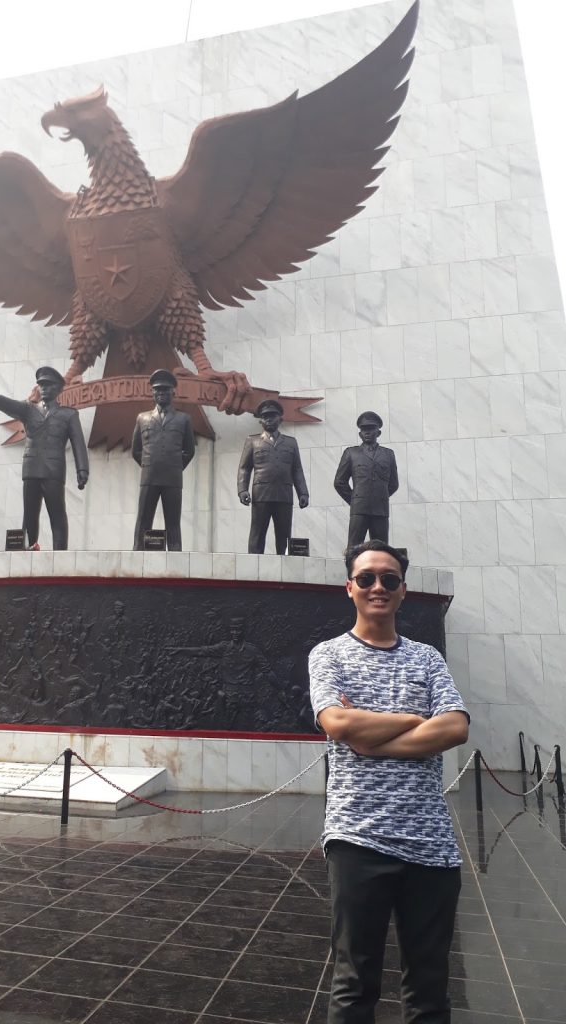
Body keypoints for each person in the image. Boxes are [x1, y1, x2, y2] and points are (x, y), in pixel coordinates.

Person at [308, 540, 470, 1023]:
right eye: (367, 578)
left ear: (402, 590)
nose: (378, 586)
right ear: (350, 588)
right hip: (358, 839)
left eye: (389, 579)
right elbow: (337, 722)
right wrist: (415, 719)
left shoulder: (427, 658)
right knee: (355, 984)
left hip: (431, 846)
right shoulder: (328, 655)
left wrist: (371, 740)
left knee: (430, 989)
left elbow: (455, 727)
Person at [0, 366, 88, 550]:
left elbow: (78, 443)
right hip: (31, 469)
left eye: (48, 384)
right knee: (29, 514)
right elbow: (12, 405)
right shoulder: (28, 409)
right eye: (41, 385)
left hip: (53, 471)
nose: (44, 388)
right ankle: (29, 549)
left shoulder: (69, 414)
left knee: (57, 513)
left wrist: (82, 470)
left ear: (59, 388)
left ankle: (59, 552)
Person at [132, 369, 195, 551]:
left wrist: (174, 466)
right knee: (143, 520)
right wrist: (149, 465)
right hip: (149, 477)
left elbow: (189, 450)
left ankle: (176, 555)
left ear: (173, 392)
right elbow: (136, 450)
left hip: (172, 478)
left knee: (173, 522)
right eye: (157, 390)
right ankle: (138, 553)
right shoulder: (142, 418)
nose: (161, 393)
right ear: (152, 392)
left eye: (165, 390)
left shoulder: (184, 419)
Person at [237, 398, 309, 554]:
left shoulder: (291, 443)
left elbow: (297, 470)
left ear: (280, 419)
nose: (269, 419)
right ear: (260, 421)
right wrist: (242, 490)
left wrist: (303, 493)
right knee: (257, 534)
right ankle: (254, 565)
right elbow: (244, 468)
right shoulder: (252, 441)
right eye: (265, 417)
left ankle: (284, 566)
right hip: (261, 494)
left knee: (284, 535)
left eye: (272, 416)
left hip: (284, 494)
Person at [334, 411, 398, 546]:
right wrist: (355, 500)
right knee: (354, 548)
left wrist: (379, 497)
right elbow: (339, 482)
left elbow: (394, 484)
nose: (367, 432)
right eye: (364, 429)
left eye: (371, 429)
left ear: (378, 433)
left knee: (381, 549)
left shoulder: (388, 454)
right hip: (359, 509)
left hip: (380, 509)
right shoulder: (351, 453)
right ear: (360, 434)